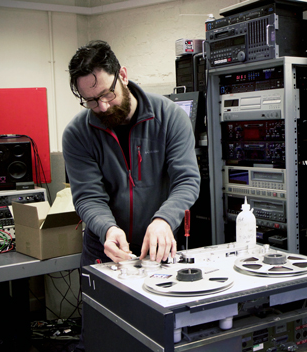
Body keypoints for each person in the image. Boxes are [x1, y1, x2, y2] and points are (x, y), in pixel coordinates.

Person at [62, 40, 201, 351]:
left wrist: (165, 219)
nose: (102, 107)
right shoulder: (77, 134)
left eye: (106, 94)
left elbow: (187, 180)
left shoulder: (169, 117)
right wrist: (108, 230)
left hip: (159, 247)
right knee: (104, 336)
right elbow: (88, 197)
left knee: (158, 335)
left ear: (122, 75)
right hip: (105, 249)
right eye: (90, 101)